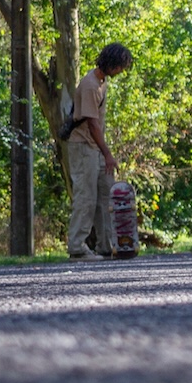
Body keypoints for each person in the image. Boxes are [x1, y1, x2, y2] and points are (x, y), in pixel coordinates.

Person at [67, 42, 133, 261]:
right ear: (112, 63)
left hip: (95, 148)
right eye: (121, 66)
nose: (121, 71)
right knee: (86, 195)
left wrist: (104, 153)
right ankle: (77, 246)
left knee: (106, 194)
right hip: (83, 146)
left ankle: (107, 244)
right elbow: (92, 125)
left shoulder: (101, 83)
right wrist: (108, 154)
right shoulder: (90, 85)